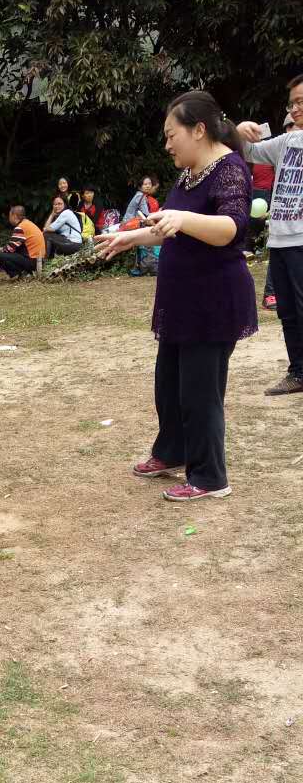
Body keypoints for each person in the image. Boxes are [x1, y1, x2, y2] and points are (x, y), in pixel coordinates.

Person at [97, 90, 256, 502]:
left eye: (172, 135)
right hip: (182, 300)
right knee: (169, 383)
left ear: (198, 130)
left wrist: (185, 217)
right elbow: (168, 227)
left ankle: (209, 477)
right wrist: (128, 238)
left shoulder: (229, 169)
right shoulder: (189, 174)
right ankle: (173, 451)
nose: (167, 145)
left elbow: (231, 228)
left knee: (200, 392)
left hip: (214, 301)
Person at [238, 76, 303, 394]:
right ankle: (298, 373)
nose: (295, 108)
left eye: (300, 101)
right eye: (293, 103)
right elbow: (249, 150)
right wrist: (240, 130)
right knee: (287, 311)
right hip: (279, 237)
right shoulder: (287, 142)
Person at [259, 112, 298, 312]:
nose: (293, 130)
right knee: (278, 253)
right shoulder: (281, 147)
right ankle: (270, 294)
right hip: (283, 218)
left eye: (295, 125)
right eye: (289, 126)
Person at [0, 205, 46, 278]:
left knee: (1, 255)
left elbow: (9, 249)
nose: (9, 218)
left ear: (14, 216)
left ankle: (17, 274)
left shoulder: (20, 227)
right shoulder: (28, 223)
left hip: (33, 262)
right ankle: (24, 272)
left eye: (10, 215)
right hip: (39, 260)